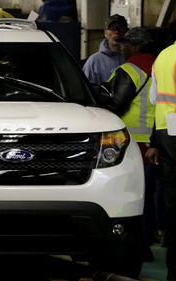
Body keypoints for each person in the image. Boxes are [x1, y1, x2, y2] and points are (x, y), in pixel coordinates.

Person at [107, 26, 157, 262]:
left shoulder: (129, 70)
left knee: (136, 199)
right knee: (159, 199)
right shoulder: (161, 66)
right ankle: (158, 238)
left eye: (126, 45)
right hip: (161, 143)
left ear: (135, 47)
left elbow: (113, 106)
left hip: (135, 147)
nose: (122, 48)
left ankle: (142, 247)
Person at [148, 19, 176, 280]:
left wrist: (155, 141)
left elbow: (154, 99)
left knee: (171, 197)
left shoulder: (163, 57)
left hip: (167, 132)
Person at [83, 14, 129, 85]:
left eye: (120, 28)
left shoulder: (134, 58)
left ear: (127, 31)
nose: (116, 31)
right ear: (105, 33)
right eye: (112, 28)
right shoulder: (94, 61)